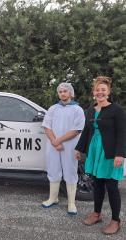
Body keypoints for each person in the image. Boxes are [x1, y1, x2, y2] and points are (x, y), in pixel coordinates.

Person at [75, 76, 126, 235]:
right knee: (97, 184)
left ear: (108, 92)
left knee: (111, 186)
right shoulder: (90, 109)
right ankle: (97, 214)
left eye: (103, 90)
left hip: (110, 153)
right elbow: (87, 131)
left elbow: (122, 133)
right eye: (98, 90)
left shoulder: (116, 110)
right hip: (95, 152)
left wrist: (120, 154)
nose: (100, 92)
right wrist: (79, 149)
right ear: (93, 93)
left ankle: (116, 220)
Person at [41, 83, 85, 215]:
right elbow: (46, 126)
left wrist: (58, 141)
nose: (62, 93)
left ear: (71, 93)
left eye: (65, 91)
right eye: (60, 91)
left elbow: (76, 130)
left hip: (69, 147)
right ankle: (53, 198)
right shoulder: (53, 109)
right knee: (53, 170)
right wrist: (55, 142)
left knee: (70, 172)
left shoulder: (77, 110)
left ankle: (71, 203)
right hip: (53, 146)